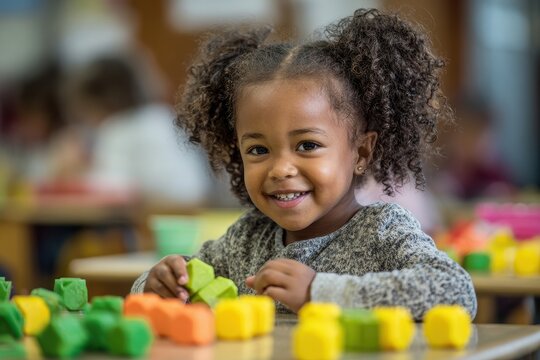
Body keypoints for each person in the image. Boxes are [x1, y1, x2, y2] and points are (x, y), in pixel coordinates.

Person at [131, 8, 477, 320]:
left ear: (361, 153)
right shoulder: (249, 238)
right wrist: (156, 283)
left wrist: (319, 292)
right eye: (258, 150)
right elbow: (178, 279)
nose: (281, 169)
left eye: (307, 145)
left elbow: (456, 292)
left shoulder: (381, 231)